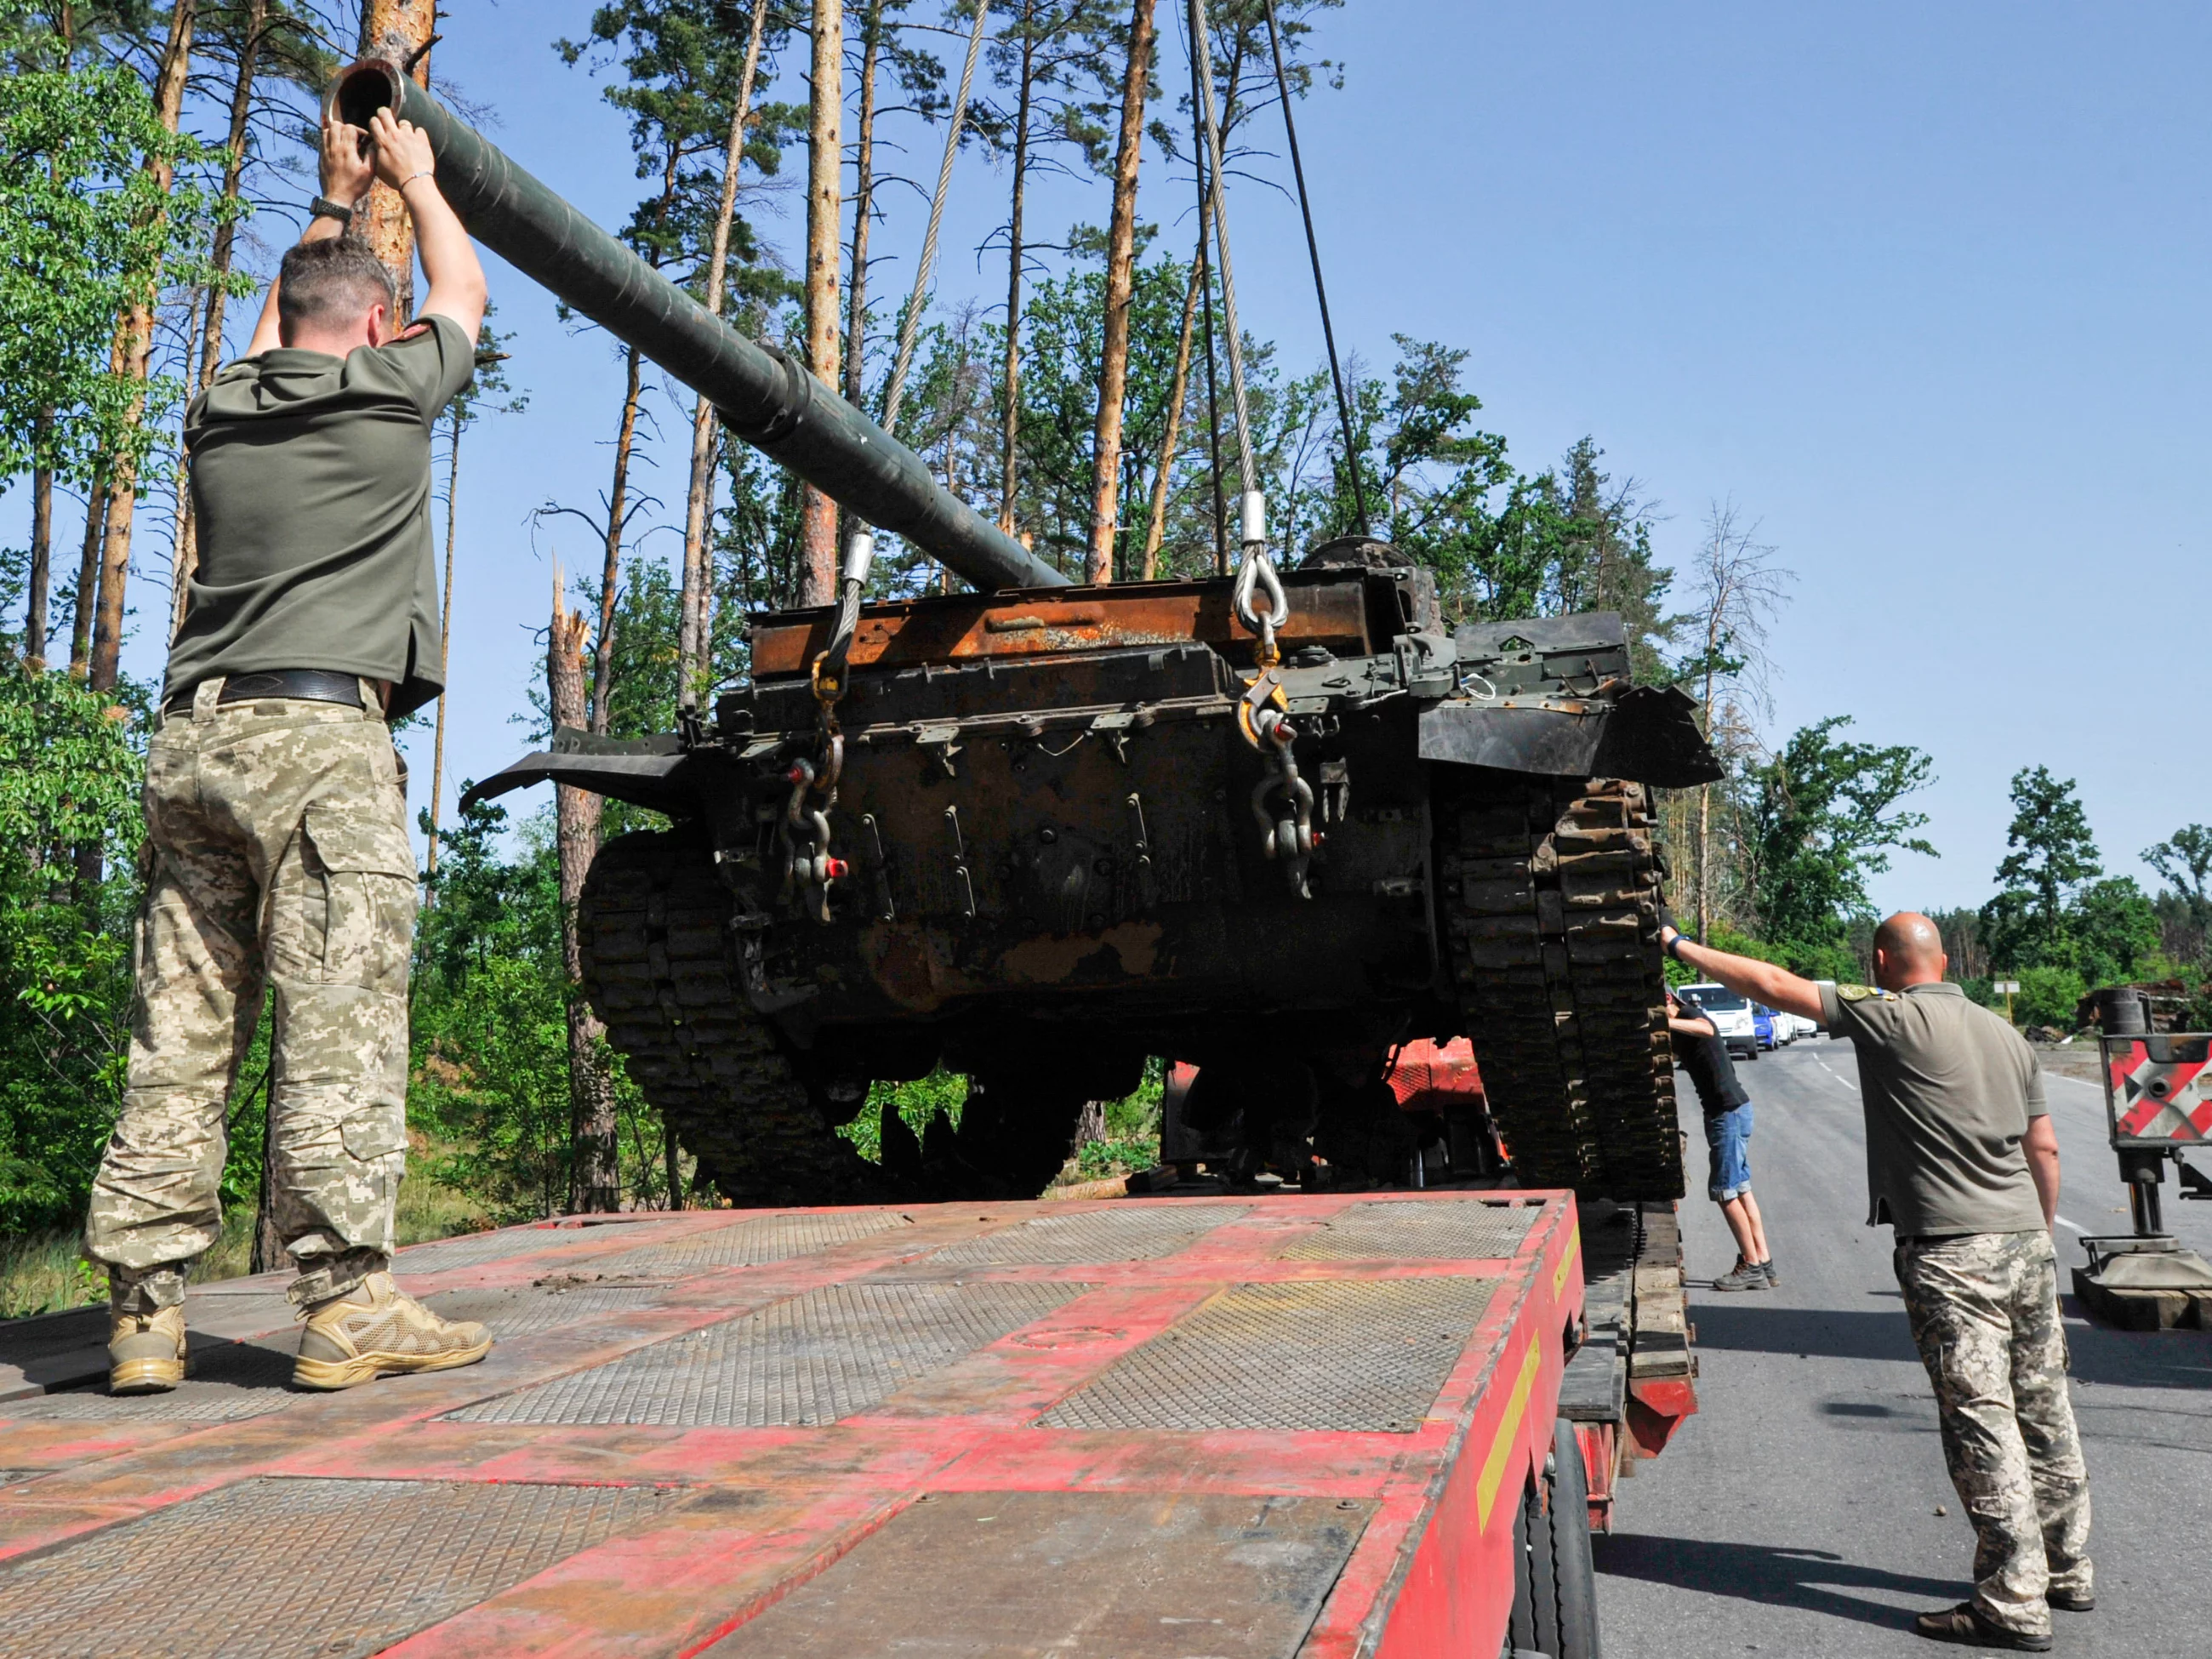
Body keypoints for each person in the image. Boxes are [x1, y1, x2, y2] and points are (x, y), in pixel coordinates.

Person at [87, 105, 493, 1394]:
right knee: (340, 1022)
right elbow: (466, 285)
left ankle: (145, 1314)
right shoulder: (391, 393)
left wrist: (332, 194)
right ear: (377, 326)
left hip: (194, 742)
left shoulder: (220, 405)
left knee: (181, 1026)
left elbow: (276, 328)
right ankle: (345, 1302)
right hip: (320, 742)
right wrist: (417, 179)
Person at [1660, 912, 2088, 1652]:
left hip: (1953, 1251)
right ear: (1947, 960)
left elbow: (1771, 984)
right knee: (2045, 1410)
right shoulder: (2006, 1034)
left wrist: (1676, 946)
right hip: (2025, 1240)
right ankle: (2068, 1567)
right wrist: (2040, 1239)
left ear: (1882, 961)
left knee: (1981, 1420)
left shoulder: (1889, 1017)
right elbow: (2043, 1147)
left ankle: (2014, 1602)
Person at [1667, 989, 1776, 1290]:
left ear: (1667, 1002)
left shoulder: (1690, 1015)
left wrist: (1665, 1022)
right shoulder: (1681, 1028)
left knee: (1724, 1192)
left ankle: (1751, 1266)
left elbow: (1706, 1028)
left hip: (1726, 1114)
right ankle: (1764, 1262)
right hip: (1737, 1110)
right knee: (1742, 1189)